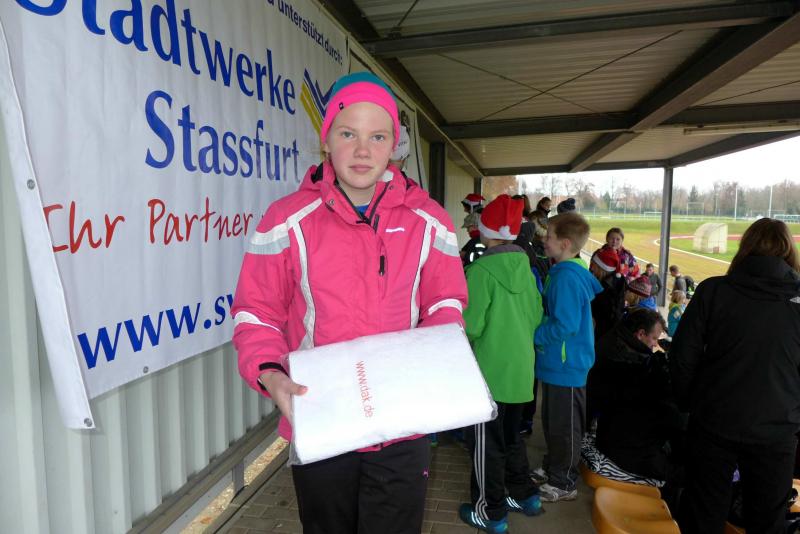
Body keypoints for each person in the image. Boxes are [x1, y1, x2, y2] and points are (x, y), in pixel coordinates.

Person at [231, 72, 468, 534]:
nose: (363, 150)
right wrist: (271, 375)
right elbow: (256, 313)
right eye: (347, 134)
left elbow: (445, 305)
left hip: (403, 423)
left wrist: (430, 363)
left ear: (394, 145)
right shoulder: (286, 219)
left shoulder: (430, 220)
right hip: (321, 415)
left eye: (377, 136)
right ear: (326, 142)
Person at [670, 218, 800, 534]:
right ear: (788, 251)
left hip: (715, 421)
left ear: (746, 247)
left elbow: (682, 358)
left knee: (703, 514)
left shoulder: (714, 290)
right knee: (767, 521)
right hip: (776, 429)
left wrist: (691, 404)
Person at [459, 195, 544, 533]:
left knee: (486, 446)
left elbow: (471, 326)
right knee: (511, 438)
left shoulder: (481, 271)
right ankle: (525, 495)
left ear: (485, 231)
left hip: (489, 375)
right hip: (521, 373)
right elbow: (535, 317)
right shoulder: (527, 269)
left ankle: (490, 512)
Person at [532, 212, 603, 502]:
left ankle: (564, 481)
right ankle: (554, 466)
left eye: (548, 236)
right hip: (556, 364)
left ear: (564, 244)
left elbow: (566, 325)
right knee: (553, 422)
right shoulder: (562, 272)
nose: (543, 240)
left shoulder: (567, 279)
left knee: (565, 426)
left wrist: (536, 335)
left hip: (567, 365)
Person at [589, 309, 682, 488]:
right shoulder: (631, 362)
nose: (655, 344)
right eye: (654, 338)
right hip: (621, 445)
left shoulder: (617, 342)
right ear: (640, 334)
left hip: (610, 435)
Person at [589, 247, 626, 341]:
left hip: (601, 336)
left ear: (602, 268)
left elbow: (598, 314)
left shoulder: (604, 289)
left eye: (594, 265)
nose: (592, 268)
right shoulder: (617, 283)